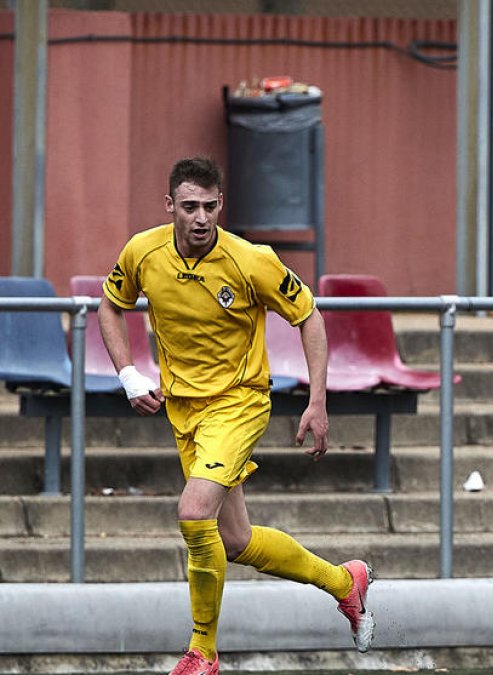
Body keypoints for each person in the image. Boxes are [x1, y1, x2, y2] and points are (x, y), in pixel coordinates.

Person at [98, 156, 375, 675]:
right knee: (234, 541)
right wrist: (129, 374)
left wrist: (317, 401)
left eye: (209, 206)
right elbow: (110, 305)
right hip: (183, 409)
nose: (200, 218)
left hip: (239, 402)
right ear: (170, 206)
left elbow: (309, 317)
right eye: (189, 207)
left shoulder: (251, 260)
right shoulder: (142, 251)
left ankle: (203, 652)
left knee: (193, 512)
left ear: (221, 204)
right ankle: (345, 582)